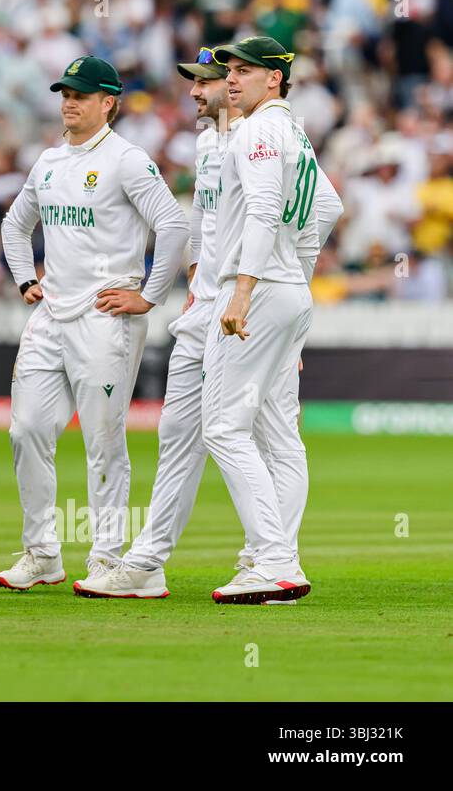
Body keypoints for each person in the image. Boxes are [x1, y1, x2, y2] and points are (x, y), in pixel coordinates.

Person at [74, 46, 342, 599]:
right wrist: (203, 278)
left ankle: (271, 558)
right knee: (183, 433)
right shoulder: (213, 141)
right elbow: (206, 220)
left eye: (210, 80)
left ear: (249, 83)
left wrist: (275, 285)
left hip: (248, 299)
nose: (197, 91)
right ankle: (149, 562)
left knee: (257, 433)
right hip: (215, 303)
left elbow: (313, 210)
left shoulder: (258, 133)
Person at [0, 55, 189, 593]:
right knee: (26, 428)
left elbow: (172, 225)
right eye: (65, 94)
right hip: (51, 313)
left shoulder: (127, 160)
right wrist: (23, 280)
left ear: (109, 103)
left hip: (106, 317)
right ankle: (42, 554)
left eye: (81, 95)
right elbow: (15, 226)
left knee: (103, 438)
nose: (69, 103)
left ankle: (106, 558)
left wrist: (148, 297)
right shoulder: (50, 161)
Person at [198, 36, 327, 605]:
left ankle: (271, 559)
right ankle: (281, 557)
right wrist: (296, 273)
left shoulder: (254, 131)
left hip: (257, 290)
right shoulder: (295, 133)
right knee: (277, 432)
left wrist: (246, 289)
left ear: (274, 78)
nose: (231, 78)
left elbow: (264, 208)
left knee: (224, 427)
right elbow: (327, 207)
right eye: (229, 69)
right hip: (287, 289)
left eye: (245, 70)